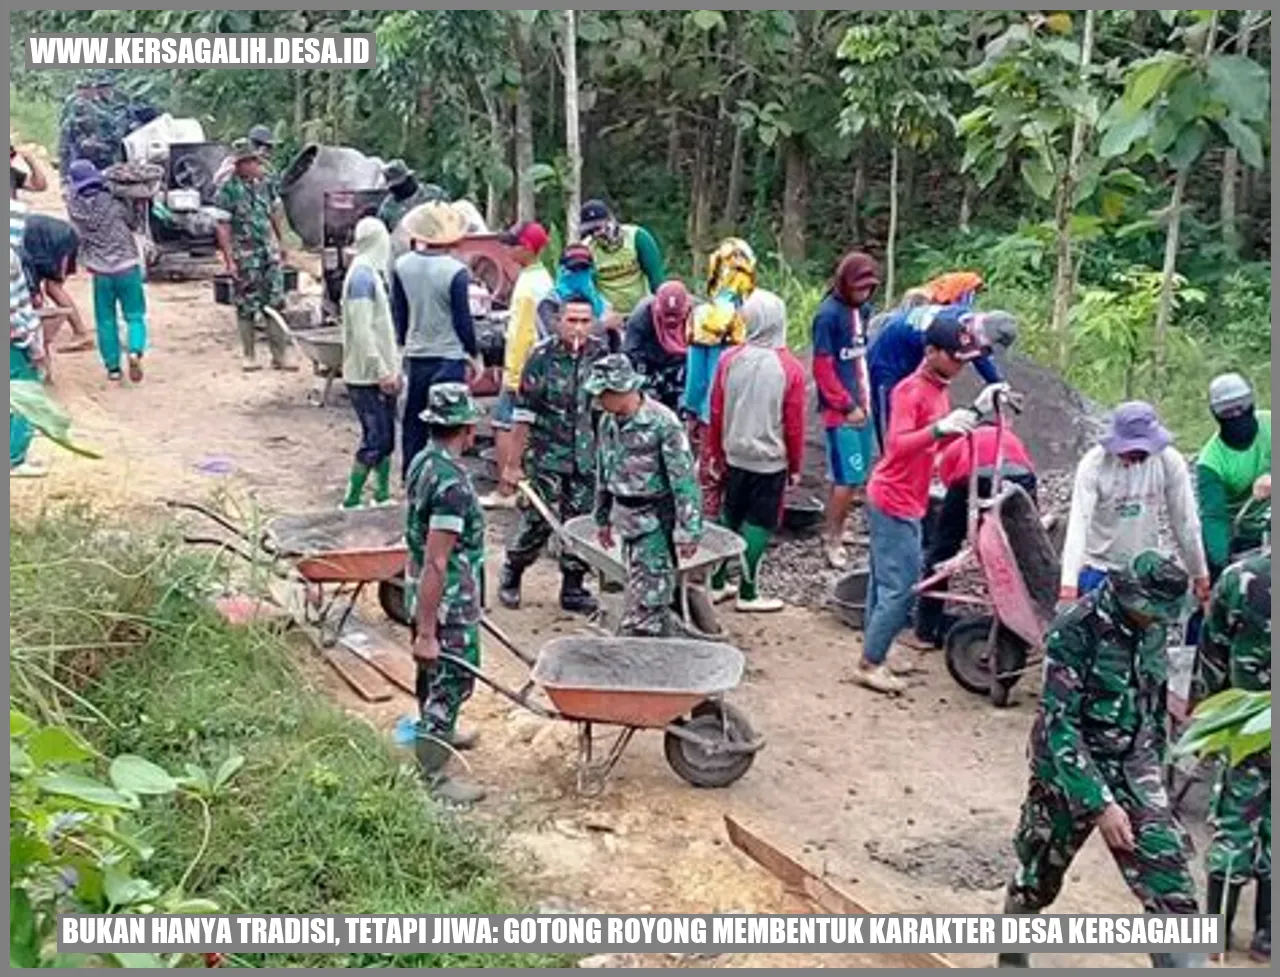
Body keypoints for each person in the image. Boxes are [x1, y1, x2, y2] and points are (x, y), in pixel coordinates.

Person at [998, 551, 1203, 970]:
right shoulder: (1075, 629)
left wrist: (1153, 780)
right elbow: (1060, 725)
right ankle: (1011, 960)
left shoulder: (1152, 627)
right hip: (1068, 771)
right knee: (1037, 876)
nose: (1157, 621)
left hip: (1133, 765)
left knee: (1171, 885)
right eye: (1152, 612)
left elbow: (1152, 702)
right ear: (1130, 595)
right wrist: (1100, 803)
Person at [855, 312, 990, 694]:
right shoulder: (910, 391)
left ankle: (876, 647)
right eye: (954, 357)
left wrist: (973, 415)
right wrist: (938, 428)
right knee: (900, 587)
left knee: (883, 582)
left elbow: (934, 443)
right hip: (893, 498)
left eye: (964, 360)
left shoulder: (939, 388)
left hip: (908, 497)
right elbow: (897, 445)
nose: (960, 366)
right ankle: (870, 663)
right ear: (931, 352)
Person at [498, 295, 609, 615]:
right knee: (537, 520)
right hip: (546, 456)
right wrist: (513, 465)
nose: (577, 328)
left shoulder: (600, 355)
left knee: (580, 522)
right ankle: (512, 572)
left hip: (585, 457)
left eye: (584, 321)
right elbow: (523, 415)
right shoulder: (542, 357)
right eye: (571, 320)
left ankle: (573, 587)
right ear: (559, 321)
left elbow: (607, 410)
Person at [404, 382, 487, 805]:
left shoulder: (423, 461)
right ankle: (433, 777)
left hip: (421, 587)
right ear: (467, 429)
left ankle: (437, 733)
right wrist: (427, 630)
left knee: (432, 676)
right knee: (451, 679)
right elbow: (438, 559)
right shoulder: (451, 484)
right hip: (446, 599)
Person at [1191, 550, 1271, 963]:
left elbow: (1212, 653)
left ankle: (1216, 935)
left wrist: (1204, 719)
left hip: (1247, 724)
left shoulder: (1241, 579)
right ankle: (1267, 937)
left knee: (1235, 823)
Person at [706, 286, 805, 612]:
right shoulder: (789, 368)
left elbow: (716, 410)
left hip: (733, 451)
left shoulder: (729, 359)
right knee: (758, 522)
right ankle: (748, 592)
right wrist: (794, 465)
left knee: (729, 515)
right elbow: (793, 423)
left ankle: (716, 583)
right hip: (769, 459)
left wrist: (715, 453)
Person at [590, 354, 703, 635]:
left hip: (654, 521)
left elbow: (684, 480)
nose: (597, 400)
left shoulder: (662, 423)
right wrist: (602, 517)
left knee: (648, 605)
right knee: (640, 589)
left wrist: (689, 530)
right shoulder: (608, 421)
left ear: (622, 390)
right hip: (625, 518)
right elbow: (604, 471)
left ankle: (647, 652)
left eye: (602, 394)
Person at [1059, 401, 1209, 607]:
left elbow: (1185, 521)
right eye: (1129, 452)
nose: (1135, 459)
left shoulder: (1169, 462)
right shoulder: (1093, 466)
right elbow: (1078, 525)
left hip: (1145, 566)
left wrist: (1199, 572)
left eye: (1141, 453)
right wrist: (1068, 585)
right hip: (1100, 565)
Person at [913, 420, 1038, 649]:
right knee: (1023, 553)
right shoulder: (1010, 438)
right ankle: (1029, 625)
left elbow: (950, 483)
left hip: (975, 478)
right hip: (1021, 481)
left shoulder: (959, 442)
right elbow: (1029, 469)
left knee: (942, 550)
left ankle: (926, 629)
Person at [391, 202, 479, 481]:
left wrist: (404, 343)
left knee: (414, 421)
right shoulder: (455, 272)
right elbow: (462, 320)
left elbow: (400, 314)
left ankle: (411, 475)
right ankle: (445, 476)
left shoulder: (402, 266)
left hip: (417, 355)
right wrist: (474, 353)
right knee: (448, 422)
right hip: (449, 356)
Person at [866, 300, 1017, 454]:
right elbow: (930, 363)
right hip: (888, 355)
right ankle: (889, 459)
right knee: (891, 415)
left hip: (913, 348)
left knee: (919, 413)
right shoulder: (947, 329)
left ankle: (916, 455)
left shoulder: (968, 323)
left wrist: (1000, 384)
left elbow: (978, 354)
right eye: (988, 347)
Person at [812, 251, 882, 569]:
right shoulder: (827, 316)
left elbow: (859, 357)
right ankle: (833, 538)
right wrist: (846, 404)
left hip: (864, 405)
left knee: (854, 476)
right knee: (847, 476)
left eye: (869, 288)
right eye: (858, 288)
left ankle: (837, 524)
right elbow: (823, 369)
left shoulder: (863, 311)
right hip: (842, 413)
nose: (863, 294)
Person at [484, 220, 553, 510]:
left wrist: (512, 376)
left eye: (513, 244)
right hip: (537, 366)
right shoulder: (541, 278)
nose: (508, 248)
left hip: (522, 368)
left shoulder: (527, 287)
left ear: (526, 248)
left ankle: (506, 488)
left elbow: (523, 335)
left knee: (504, 424)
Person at [683, 238, 753, 516]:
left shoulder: (704, 315)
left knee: (710, 474)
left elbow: (697, 377)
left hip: (711, 410)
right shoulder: (760, 311)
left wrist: (690, 409)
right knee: (741, 471)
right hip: (748, 410)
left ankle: (710, 528)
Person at [63, 159, 148, 383]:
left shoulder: (75, 207)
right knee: (134, 315)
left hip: (101, 271)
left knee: (105, 320)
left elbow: (77, 232)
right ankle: (135, 350)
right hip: (127, 266)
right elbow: (132, 222)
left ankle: (112, 368)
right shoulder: (113, 200)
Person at [213, 139, 295, 372]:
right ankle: (249, 356)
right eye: (252, 161)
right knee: (246, 305)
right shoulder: (227, 191)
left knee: (276, 301)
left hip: (268, 252)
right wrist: (229, 260)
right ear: (241, 164)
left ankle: (279, 356)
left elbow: (275, 213)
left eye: (257, 161)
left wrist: (282, 242)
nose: (257, 165)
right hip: (245, 255)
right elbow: (223, 227)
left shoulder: (266, 185)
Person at [339, 218, 400, 509]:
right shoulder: (362, 277)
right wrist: (380, 370)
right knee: (376, 439)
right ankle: (351, 499)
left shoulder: (370, 274)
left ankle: (382, 494)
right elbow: (363, 332)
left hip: (380, 372)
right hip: (366, 376)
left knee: (386, 436)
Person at [1197, 373, 1271, 581]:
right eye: (1227, 412)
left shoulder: (1272, 424)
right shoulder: (1211, 462)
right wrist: (1222, 567)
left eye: (1241, 407)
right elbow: (1213, 517)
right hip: (1239, 531)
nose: (1236, 416)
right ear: (1216, 414)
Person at [10, 200, 48, 477]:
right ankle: (14, 458)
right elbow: (14, 308)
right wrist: (32, 344)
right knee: (26, 394)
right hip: (13, 340)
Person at [21, 214, 94, 354]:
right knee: (48, 287)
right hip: (61, 237)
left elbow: (32, 263)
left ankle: (81, 333)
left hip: (60, 241)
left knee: (53, 288)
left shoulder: (17, 238)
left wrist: (35, 290)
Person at [579, 199, 665, 316]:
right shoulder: (586, 249)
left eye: (598, 228)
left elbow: (657, 279)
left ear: (611, 221)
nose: (596, 234)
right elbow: (588, 288)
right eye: (590, 231)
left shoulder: (638, 237)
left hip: (641, 311)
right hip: (608, 315)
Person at [622, 279, 692, 414]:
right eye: (667, 315)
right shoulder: (642, 315)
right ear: (658, 307)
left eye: (676, 315)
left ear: (686, 308)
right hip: (650, 362)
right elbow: (630, 353)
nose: (671, 320)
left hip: (684, 364)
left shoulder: (698, 314)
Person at [536, 242, 620, 351]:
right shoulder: (549, 304)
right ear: (562, 270)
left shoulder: (600, 302)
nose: (579, 274)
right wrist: (603, 325)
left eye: (583, 270)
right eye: (573, 270)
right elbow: (557, 335)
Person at [58, 72, 131, 176]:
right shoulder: (78, 103)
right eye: (82, 88)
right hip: (83, 144)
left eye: (107, 87)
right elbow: (76, 124)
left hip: (100, 144)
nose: (105, 90)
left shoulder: (105, 102)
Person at [377, 159, 444, 234]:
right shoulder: (387, 208)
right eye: (393, 188)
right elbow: (383, 234)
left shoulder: (434, 194)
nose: (396, 191)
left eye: (400, 186)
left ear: (409, 179)